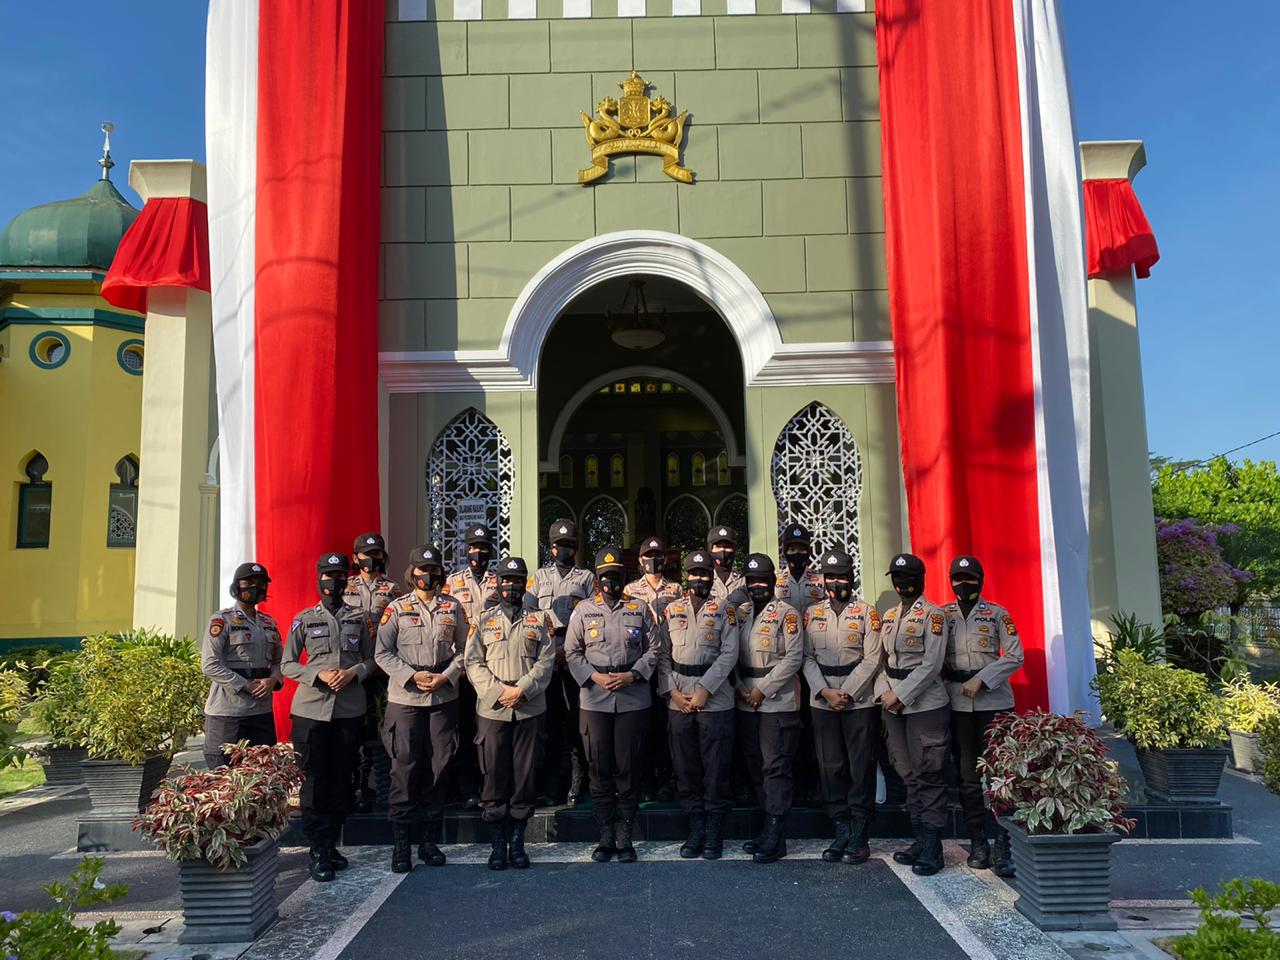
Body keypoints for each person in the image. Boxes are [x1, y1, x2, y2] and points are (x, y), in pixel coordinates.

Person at [282, 553, 377, 881]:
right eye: (328, 576)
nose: (333, 582)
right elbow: (287, 664)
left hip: (349, 709)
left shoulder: (359, 617)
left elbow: (372, 659)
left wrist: (353, 674)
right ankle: (317, 847)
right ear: (319, 579)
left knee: (342, 778)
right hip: (312, 711)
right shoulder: (304, 619)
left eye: (339, 576)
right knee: (315, 780)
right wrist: (317, 676)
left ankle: (333, 843)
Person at [563, 545, 661, 864]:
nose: (611, 582)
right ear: (597, 578)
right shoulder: (583, 610)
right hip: (595, 698)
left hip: (633, 697)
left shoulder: (640, 608)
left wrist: (634, 675)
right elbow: (572, 652)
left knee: (628, 767)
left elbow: (654, 649)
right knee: (599, 767)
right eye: (605, 576)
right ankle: (606, 833)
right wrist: (594, 677)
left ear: (624, 576)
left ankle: (626, 836)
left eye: (616, 575)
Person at [374, 544, 468, 872]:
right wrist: (412, 676)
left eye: (433, 570)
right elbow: (382, 653)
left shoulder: (453, 607)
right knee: (404, 768)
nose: (427, 576)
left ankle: (429, 840)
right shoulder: (396, 609)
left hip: (443, 697)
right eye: (420, 570)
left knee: (439, 766)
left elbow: (466, 650)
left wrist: (445, 677)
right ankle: (402, 844)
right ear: (411, 573)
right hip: (406, 699)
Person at [465, 556, 556, 870]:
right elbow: (472, 662)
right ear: (498, 583)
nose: (512, 586)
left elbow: (547, 660)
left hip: (529, 708)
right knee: (493, 775)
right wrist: (497, 692)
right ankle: (497, 844)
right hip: (493, 710)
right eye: (507, 580)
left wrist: (523, 689)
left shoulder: (540, 619)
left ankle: (517, 840)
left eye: (518, 581)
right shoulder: (483, 619)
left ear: (524, 584)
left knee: (525, 775)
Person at [801, 550, 883, 864]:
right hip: (822, 700)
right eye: (831, 576)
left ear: (852, 578)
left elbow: (873, 658)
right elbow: (806, 657)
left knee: (860, 766)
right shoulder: (812, 613)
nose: (837, 582)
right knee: (830, 765)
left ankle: (860, 832)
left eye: (842, 576)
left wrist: (845, 692)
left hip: (858, 700)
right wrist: (824, 690)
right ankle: (841, 829)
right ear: (822, 579)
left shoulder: (867, 612)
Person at [656, 550, 739, 860]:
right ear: (686, 578)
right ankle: (696, 827)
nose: (700, 579)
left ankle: (715, 829)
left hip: (714, 699)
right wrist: (672, 692)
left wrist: (705, 689)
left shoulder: (724, 610)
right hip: (679, 699)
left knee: (715, 767)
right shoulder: (672, 609)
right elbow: (662, 655)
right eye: (694, 574)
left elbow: (729, 654)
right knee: (686, 766)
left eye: (705, 574)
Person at [944, 555, 1024, 875]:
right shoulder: (942, 616)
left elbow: (1015, 654)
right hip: (957, 705)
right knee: (967, 778)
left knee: (999, 776)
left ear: (981, 580)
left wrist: (984, 678)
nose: (964, 585)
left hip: (994, 704)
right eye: (958, 579)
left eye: (970, 579)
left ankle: (1003, 841)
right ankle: (977, 840)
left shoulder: (997, 615)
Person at [875, 552, 950, 876]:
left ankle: (934, 846)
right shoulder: (889, 616)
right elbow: (881, 660)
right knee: (906, 773)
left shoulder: (933, 616)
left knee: (928, 775)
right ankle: (919, 837)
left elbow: (932, 665)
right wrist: (884, 693)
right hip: (893, 705)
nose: (902, 583)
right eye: (897, 578)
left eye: (908, 578)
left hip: (924, 706)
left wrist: (901, 695)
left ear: (920, 579)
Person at [734, 554, 803, 864]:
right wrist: (741, 687)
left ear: (773, 580)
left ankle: (777, 834)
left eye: (762, 580)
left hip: (776, 701)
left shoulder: (787, 614)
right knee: (756, 766)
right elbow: (730, 653)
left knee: (775, 768)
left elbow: (793, 658)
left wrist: (763, 689)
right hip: (747, 700)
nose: (757, 586)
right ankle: (766, 827)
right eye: (752, 581)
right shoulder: (742, 614)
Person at [529, 519, 596, 806]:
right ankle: (551, 786)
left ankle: (578, 784)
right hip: (545, 660)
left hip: (575, 659)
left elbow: (595, 618)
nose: (564, 549)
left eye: (569, 545)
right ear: (551, 547)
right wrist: (548, 652)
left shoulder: (587, 578)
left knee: (577, 724)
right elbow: (529, 617)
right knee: (548, 725)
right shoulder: (539, 577)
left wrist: (568, 650)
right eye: (559, 545)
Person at [200, 562, 282, 770]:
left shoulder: (269, 623)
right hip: (228, 713)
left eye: (261, 583)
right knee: (224, 777)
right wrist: (245, 685)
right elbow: (209, 664)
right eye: (249, 582)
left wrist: (273, 680)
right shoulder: (221, 620)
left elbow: (280, 661)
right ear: (237, 586)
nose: (255, 587)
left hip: (261, 712)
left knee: (264, 774)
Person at [343, 532, 401, 813]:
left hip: (382, 670)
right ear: (356, 558)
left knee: (380, 728)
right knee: (354, 729)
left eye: (377, 553)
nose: (372, 558)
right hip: (353, 669)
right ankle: (358, 785)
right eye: (367, 553)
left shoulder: (392, 589)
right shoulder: (345, 586)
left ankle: (382, 786)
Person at [444, 523, 499, 809]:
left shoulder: (499, 582)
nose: (479, 553)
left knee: (489, 731)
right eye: (474, 547)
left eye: (484, 548)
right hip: (462, 671)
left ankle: (489, 783)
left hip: (491, 669)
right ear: (465, 550)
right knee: (464, 730)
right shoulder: (452, 583)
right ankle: (467, 787)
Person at [626, 535, 682, 804]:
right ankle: (645, 781)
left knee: (666, 728)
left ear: (666, 559)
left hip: (668, 664)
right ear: (640, 560)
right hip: (642, 666)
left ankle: (665, 780)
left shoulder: (677, 589)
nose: (653, 560)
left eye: (658, 556)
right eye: (648, 556)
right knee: (641, 728)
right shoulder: (629, 590)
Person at [774, 524, 825, 612]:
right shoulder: (774, 579)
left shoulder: (821, 579)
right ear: (785, 551)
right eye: (792, 550)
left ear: (809, 551)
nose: (797, 554)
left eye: (802, 549)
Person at [707, 526, 746, 604]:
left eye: (727, 547)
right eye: (718, 546)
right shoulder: (704, 579)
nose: (723, 551)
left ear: (734, 550)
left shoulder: (743, 580)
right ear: (710, 549)